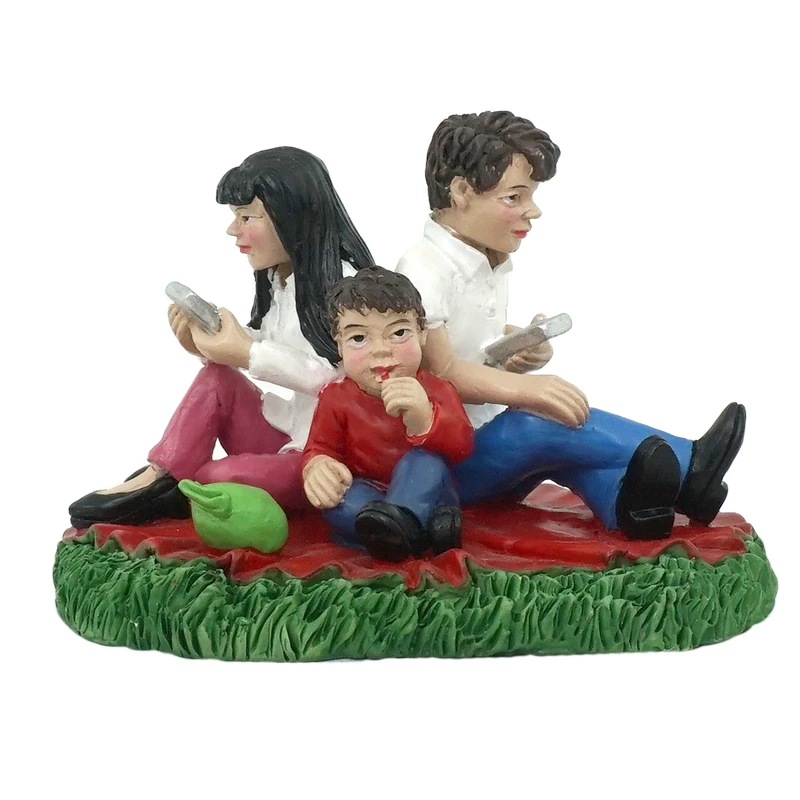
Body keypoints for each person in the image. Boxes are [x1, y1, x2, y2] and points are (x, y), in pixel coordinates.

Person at [396, 111, 745, 540]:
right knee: (536, 423)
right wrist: (528, 390)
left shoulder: (488, 260)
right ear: (462, 192)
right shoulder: (423, 270)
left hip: (481, 439)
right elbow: (441, 371)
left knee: (569, 453)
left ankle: (630, 507)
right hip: (444, 460)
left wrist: (514, 347)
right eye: (514, 197)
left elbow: (471, 345)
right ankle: (693, 467)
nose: (534, 210)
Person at [69, 147, 374, 528]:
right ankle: (163, 474)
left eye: (247, 217)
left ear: (292, 216)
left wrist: (247, 352)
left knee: (213, 476)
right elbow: (271, 341)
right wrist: (210, 343)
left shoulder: (351, 289)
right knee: (217, 378)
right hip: (288, 432)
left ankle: (180, 484)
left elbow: (342, 381)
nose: (233, 229)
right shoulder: (282, 279)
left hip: (323, 459)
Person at [302, 267, 473, 561]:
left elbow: (463, 447)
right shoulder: (335, 399)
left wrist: (426, 419)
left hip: (428, 490)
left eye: (398, 333)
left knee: (425, 461)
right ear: (338, 344)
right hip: (369, 491)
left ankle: (400, 527)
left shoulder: (436, 390)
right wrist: (318, 468)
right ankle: (411, 531)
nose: (381, 351)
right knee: (340, 502)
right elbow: (320, 447)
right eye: (358, 338)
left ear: (422, 334)